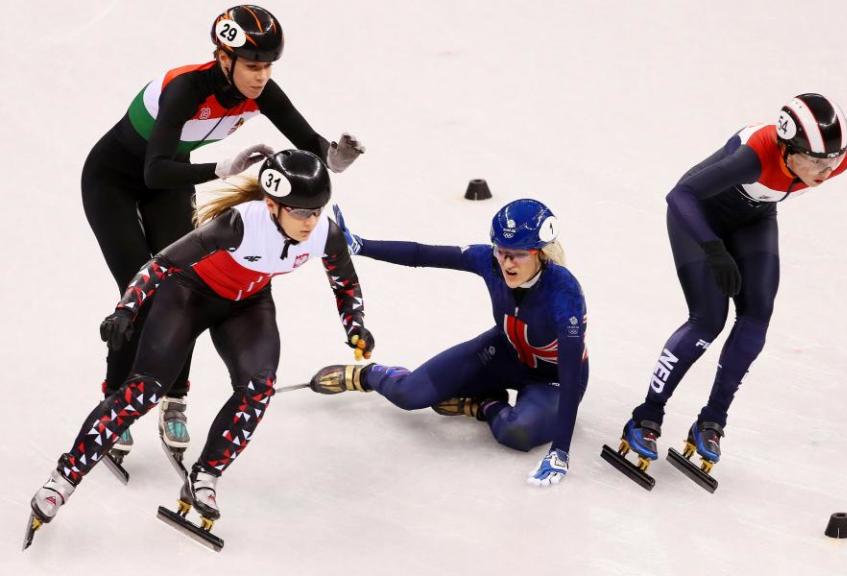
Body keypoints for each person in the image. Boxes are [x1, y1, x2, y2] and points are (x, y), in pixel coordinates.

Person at [29, 150, 373, 533]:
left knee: (259, 388)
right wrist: (127, 309)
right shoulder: (239, 224)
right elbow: (162, 263)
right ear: (272, 205)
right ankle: (62, 479)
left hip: (247, 304)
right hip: (189, 296)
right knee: (144, 390)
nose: (310, 222)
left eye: (316, 210)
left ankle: (205, 477)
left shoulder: (326, 232)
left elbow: (345, 283)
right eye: (299, 212)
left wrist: (355, 325)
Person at [81, 4, 365, 458]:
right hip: (113, 182)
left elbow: (308, 141)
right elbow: (154, 172)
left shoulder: (261, 91)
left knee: (183, 284)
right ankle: (116, 396)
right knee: (140, 288)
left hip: (170, 185)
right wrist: (219, 168)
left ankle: (175, 397)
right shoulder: (186, 89)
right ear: (223, 57)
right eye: (253, 65)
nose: (261, 76)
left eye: (269, 65)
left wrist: (333, 159)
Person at [619, 93, 847, 473]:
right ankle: (646, 415)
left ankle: (711, 422)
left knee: (757, 314)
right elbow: (680, 195)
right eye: (816, 162)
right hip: (698, 220)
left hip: (753, 219)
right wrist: (713, 248)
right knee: (709, 319)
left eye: (833, 160)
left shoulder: (829, 155)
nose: (826, 171)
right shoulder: (753, 157)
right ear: (788, 150)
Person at [312, 199, 588, 486]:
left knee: (516, 434)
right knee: (410, 395)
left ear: (540, 254)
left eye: (517, 255)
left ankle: (484, 404)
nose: (506, 263)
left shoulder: (565, 294)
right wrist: (360, 245)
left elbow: (570, 378)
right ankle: (367, 375)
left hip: (553, 381)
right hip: (505, 354)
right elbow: (424, 254)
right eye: (501, 251)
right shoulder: (489, 261)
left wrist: (560, 451)